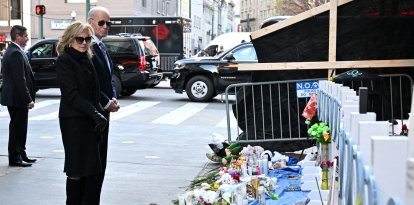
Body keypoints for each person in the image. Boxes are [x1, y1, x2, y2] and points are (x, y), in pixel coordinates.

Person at [56, 21, 107, 204]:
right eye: (80, 39)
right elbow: (71, 94)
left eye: (87, 39)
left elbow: (94, 91)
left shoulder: (87, 58)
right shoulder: (64, 61)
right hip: (74, 123)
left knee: (91, 171)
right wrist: (95, 113)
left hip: (90, 121)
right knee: (76, 171)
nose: (84, 43)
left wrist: (100, 110)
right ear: (70, 39)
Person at [87, 6, 120, 201]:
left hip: (104, 111)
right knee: (94, 162)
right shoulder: (87, 46)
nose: (106, 26)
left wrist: (113, 97)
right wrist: (106, 102)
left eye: (108, 23)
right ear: (90, 22)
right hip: (94, 112)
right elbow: (91, 82)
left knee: (101, 160)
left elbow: (107, 77)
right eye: (101, 22)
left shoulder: (101, 46)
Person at [0, 25, 36, 167]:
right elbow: (19, 79)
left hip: (16, 97)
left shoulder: (15, 51)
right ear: (18, 37)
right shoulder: (15, 53)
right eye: (26, 36)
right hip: (17, 98)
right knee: (17, 128)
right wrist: (28, 99)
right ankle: (15, 158)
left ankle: (21, 154)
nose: (28, 39)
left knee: (21, 127)